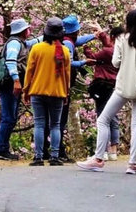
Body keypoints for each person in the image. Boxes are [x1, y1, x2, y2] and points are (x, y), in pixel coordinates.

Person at [76, 10, 136, 174]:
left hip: (123, 87)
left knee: (103, 119)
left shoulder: (122, 39)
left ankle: (98, 159)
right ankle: (132, 164)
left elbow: (116, 63)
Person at [44, 14, 98, 162]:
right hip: (62, 85)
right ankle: (58, 151)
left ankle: (50, 149)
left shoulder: (67, 40)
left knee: (54, 120)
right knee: (59, 121)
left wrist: (94, 36)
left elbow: (78, 42)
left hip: (59, 84)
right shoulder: (67, 44)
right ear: (74, 31)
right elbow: (68, 62)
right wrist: (83, 63)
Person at [22, 17, 71, 166]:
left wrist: (26, 90)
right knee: (55, 125)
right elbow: (66, 75)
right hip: (57, 92)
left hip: (37, 91)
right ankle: (54, 157)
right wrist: (66, 92)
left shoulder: (36, 49)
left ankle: (38, 157)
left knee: (39, 124)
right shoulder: (64, 51)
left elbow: (29, 71)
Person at [0, 18, 42, 160]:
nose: (30, 31)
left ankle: (2, 148)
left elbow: (37, 41)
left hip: (11, 84)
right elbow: (10, 60)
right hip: (9, 84)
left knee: (11, 117)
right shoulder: (14, 43)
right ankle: (0, 149)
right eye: (28, 28)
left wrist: (53, 32)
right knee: (8, 117)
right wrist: (16, 80)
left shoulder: (21, 43)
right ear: (23, 31)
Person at [81, 26, 124, 162]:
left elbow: (92, 57)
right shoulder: (120, 50)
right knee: (113, 117)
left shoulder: (107, 52)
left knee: (102, 117)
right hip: (114, 85)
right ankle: (114, 151)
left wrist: (85, 47)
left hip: (102, 85)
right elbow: (108, 44)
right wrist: (100, 33)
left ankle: (103, 151)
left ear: (113, 38)